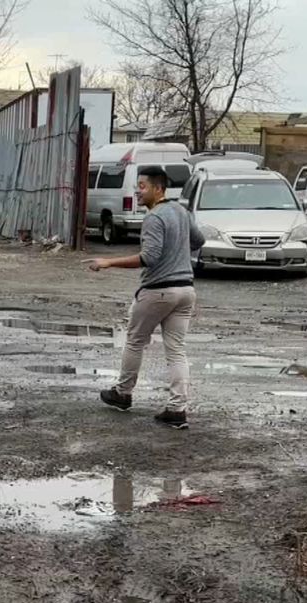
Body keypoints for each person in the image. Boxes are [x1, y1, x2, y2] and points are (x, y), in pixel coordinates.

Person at [83, 166, 204, 429]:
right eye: (138, 186)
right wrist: (177, 247)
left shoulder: (154, 218)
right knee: (176, 351)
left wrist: (108, 262)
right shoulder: (182, 212)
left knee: (135, 340)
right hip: (186, 290)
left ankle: (122, 393)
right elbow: (198, 240)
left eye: (143, 186)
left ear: (158, 189)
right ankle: (177, 409)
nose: (138, 191)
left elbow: (149, 257)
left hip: (158, 290)